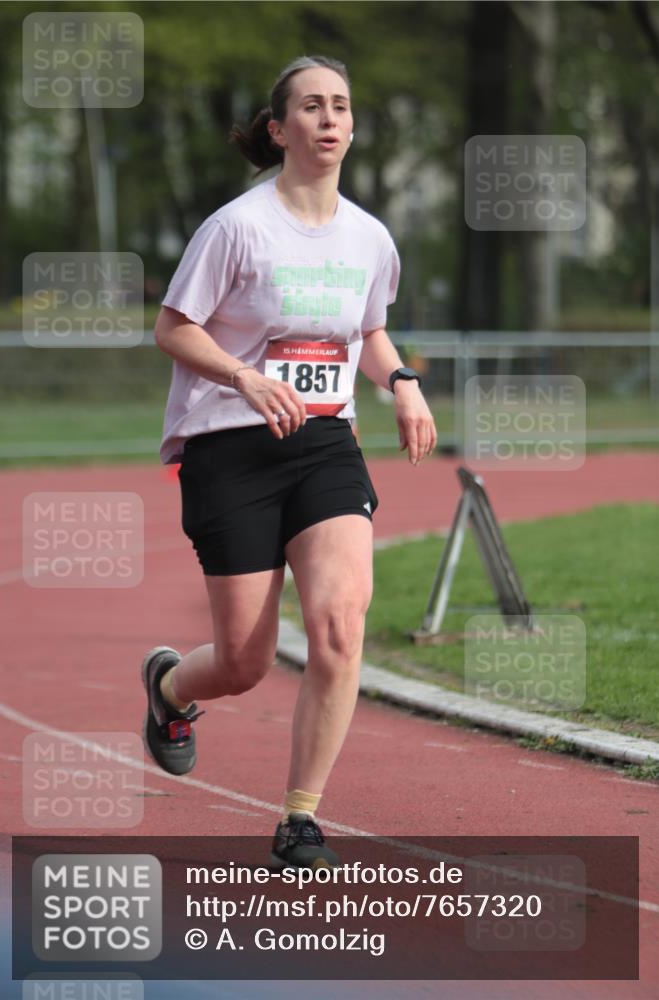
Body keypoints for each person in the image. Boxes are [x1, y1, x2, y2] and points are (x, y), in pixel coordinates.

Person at [142, 54, 437, 870]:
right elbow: (172, 327)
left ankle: (300, 819)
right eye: (311, 106)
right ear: (278, 129)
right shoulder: (236, 227)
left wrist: (402, 384)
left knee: (340, 626)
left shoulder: (369, 237)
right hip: (229, 447)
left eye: (340, 104)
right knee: (245, 662)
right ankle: (168, 688)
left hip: (324, 444)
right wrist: (243, 375)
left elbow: (368, 333)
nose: (329, 117)